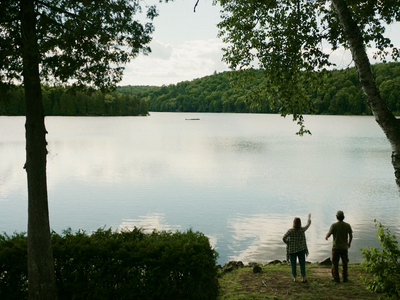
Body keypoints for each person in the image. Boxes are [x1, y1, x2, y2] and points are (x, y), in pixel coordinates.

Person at [325, 210, 353, 283]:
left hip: (336, 248)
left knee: (335, 263)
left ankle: (336, 278)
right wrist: (349, 243)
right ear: (343, 217)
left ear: (336, 217)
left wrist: (326, 236)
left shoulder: (334, 225)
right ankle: (344, 277)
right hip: (344, 248)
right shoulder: (347, 225)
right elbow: (350, 235)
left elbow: (329, 233)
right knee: (345, 263)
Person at [282, 213, 311, 283]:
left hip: (292, 250)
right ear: (300, 223)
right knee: (302, 264)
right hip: (301, 249)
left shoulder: (290, 231)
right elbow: (308, 225)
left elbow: (283, 238)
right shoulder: (302, 230)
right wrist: (309, 219)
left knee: (293, 264)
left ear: (293, 223)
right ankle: (303, 278)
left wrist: (288, 242)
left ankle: (294, 278)